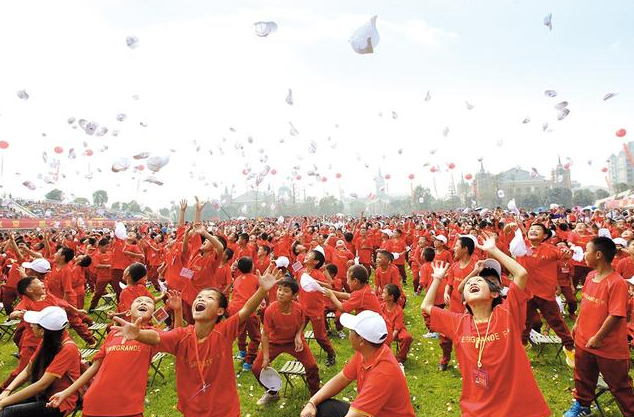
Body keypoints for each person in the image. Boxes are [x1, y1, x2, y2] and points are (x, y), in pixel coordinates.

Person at [111, 266, 282, 417]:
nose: (200, 299)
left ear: (220, 310)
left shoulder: (224, 331)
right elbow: (157, 337)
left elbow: (245, 311)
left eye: (208, 298)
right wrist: (138, 334)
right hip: (192, 409)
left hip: (225, 409)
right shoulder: (182, 335)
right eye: (199, 297)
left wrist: (262, 291)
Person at [421, 236, 551, 417]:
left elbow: (521, 275)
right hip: (476, 409)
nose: (473, 282)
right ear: (464, 299)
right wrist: (437, 279)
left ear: (494, 293)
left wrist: (494, 250)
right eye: (470, 284)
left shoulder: (507, 314)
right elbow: (426, 307)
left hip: (516, 409)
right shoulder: (459, 323)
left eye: (480, 282)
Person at [47, 292, 182, 417]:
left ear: (153, 312)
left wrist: (177, 311)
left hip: (128, 406)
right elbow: (94, 369)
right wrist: (65, 393)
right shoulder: (113, 333)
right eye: (138, 301)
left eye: (148, 302)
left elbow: (176, 340)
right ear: (128, 311)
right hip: (95, 402)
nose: (143, 303)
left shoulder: (152, 334)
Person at [563, 237, 634, 417]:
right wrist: (577, 324)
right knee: (583, 377)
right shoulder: (590, 276)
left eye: (587, 250)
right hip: (583, 340)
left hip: (608, 348)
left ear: (599, 254)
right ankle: (582, 405)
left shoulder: (617, 283)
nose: (584, 254)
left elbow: (616, 315)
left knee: (619, 385)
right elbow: (586, 304)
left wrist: (598, 338)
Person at [299, 310, 415, 417]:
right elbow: (342, 378)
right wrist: (312, 402)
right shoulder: (368, 353)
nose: (348, 333)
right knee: (322, 406)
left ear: (361, 340)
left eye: (351, 331)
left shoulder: (383, 373)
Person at [0, 306, 81, 417]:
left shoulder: (68, 349)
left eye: (34, 324)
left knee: (6, 413)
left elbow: (42, 384)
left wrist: (4, 402)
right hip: (42, 394)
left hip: (58, 402)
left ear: (43, 331)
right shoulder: (46, 341)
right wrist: (7, 391)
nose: (31, 326)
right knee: (5, 408)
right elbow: (28, 371)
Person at [515, 222, 576, 368]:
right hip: (526, 292)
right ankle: (522, 345)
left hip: (545, 294)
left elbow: (565, 255)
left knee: (556, 321)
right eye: (531, 229)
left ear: (545, 235)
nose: (534, 231)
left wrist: (568, 254)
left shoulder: (551, 249)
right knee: (524, 322)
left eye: (538, 230)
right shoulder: (520, 247)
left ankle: (569, 348)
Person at [252, 277, 320, 405]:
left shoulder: (299, 308)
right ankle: (272, 393)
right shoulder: (270, 310)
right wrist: (266, 357)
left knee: (312, 366)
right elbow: (265, 335)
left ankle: (316, 395)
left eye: (286, 291)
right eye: (279, 289)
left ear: (294, 295)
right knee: (256, 368)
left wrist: (298, 335)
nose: (280, 293)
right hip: (274, 342)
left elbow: (302, 322)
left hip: (293, 342)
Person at [381, 284, 412, 370]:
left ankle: (400, 360)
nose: (382, 294)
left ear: (391, 297)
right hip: (384, 329)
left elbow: (396, 329)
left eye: (384, 293)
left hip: (396, 331)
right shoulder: (382, 306)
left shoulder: (399, 310)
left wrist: (389, 340)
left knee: (407, 337)